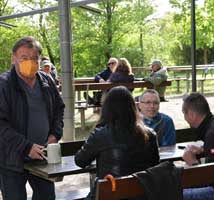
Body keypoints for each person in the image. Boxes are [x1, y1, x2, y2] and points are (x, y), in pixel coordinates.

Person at [0, 36, 65, 200]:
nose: (30, 62)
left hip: (42, 156)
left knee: (47, 197)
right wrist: (26, 146)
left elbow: (59, 109)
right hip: (11, 159)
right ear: (14, 59)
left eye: (34, 58)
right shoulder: (4, 85)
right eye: (24, 58)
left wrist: (55, 134)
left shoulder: (47, 80)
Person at [75, 86, 160, 200]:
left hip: (110, 195)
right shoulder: (149, 134)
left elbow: (80, 160)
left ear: (107, 108)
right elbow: (155, 165)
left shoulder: (101, 134)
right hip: (142, 194)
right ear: (133, 107)